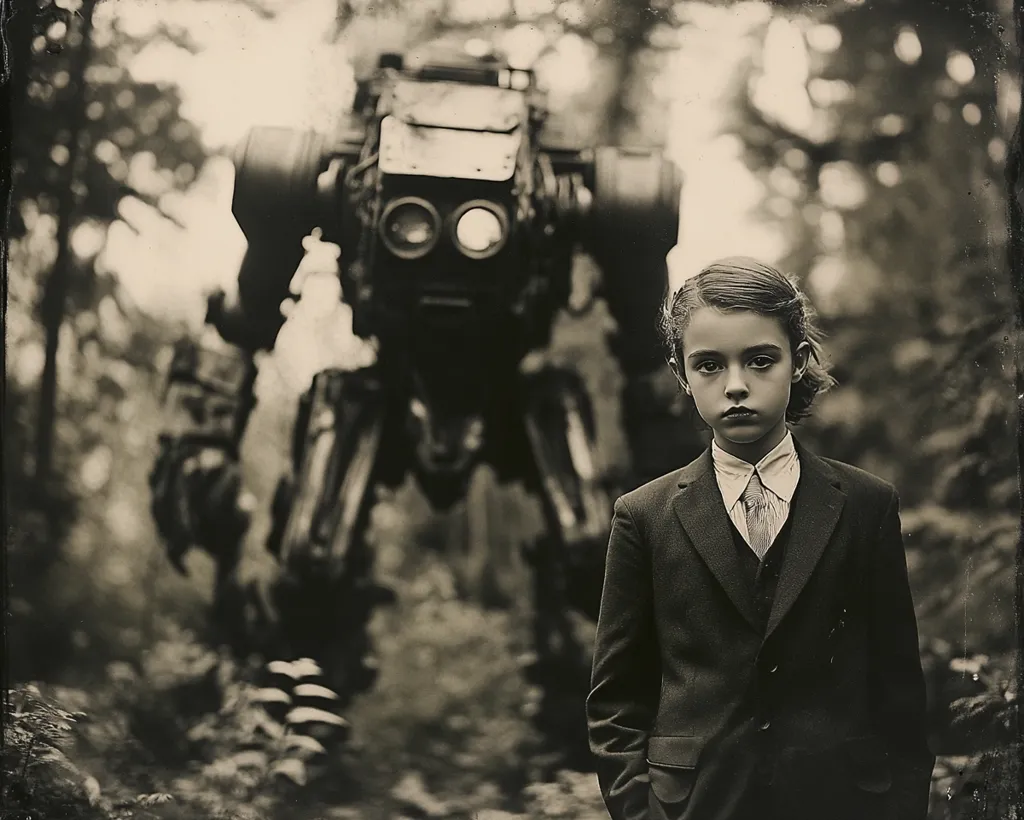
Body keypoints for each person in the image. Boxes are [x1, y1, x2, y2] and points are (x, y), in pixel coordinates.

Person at [586, 257, 934, 820]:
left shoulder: (867, 505)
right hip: (698, 807)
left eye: (760, 360)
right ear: (681, 375)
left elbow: (898, 690)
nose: (736, 386)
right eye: (709, 366)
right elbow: (615, 703)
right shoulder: (643, 515)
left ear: (797, 363)